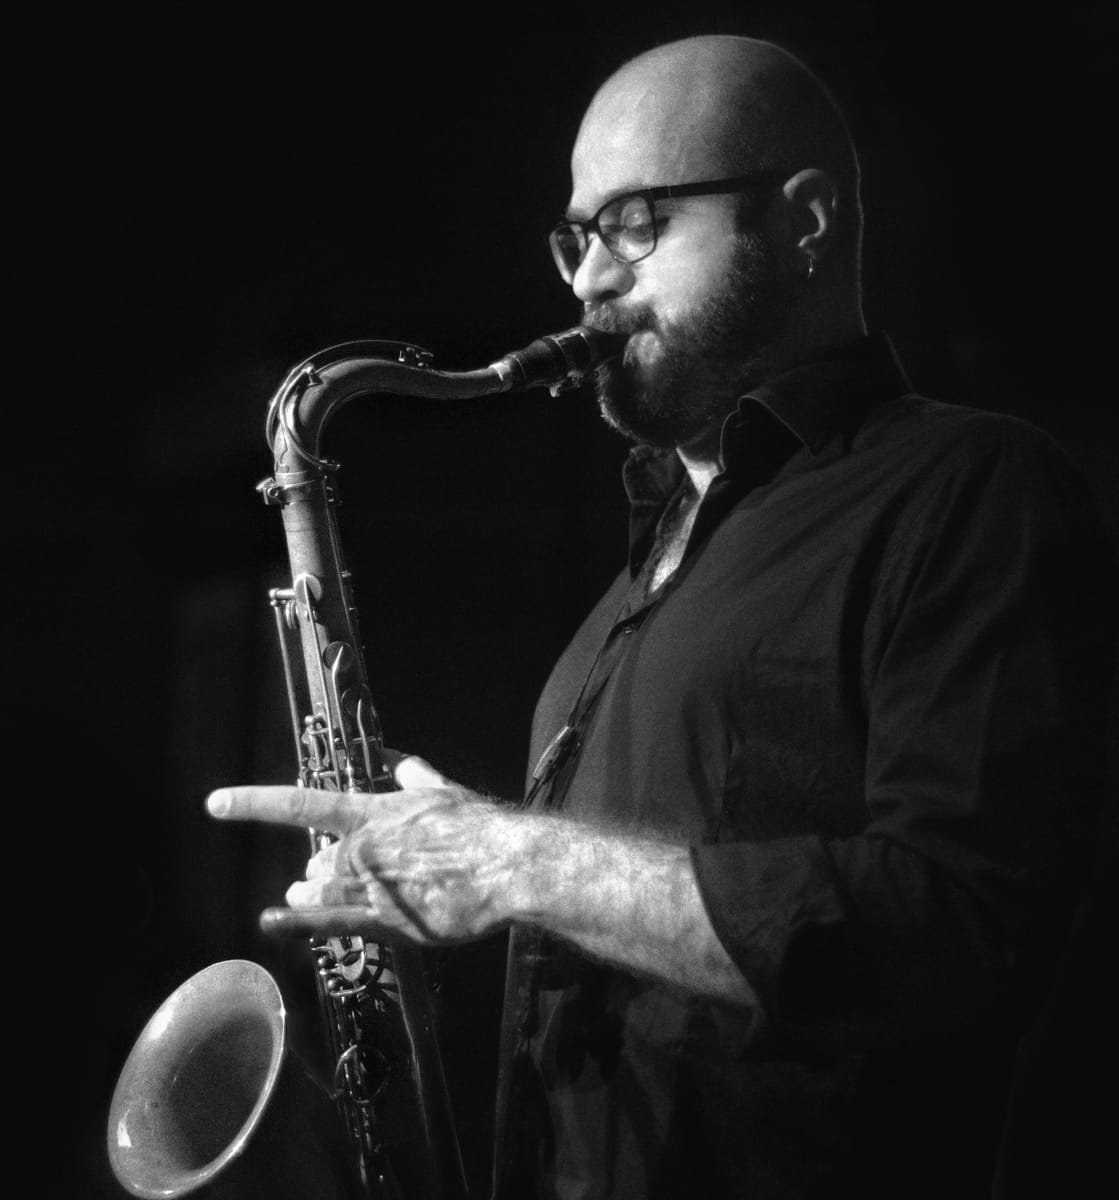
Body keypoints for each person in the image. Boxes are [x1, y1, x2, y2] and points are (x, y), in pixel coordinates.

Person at [206, 35, 1115, 1200]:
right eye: (575, 237)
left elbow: (962, 928)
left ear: (805, 220)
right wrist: (436, 891)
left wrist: (517, 860)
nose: (589, 278)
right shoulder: (622, 604)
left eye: (637, 223)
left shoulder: (970, 488)